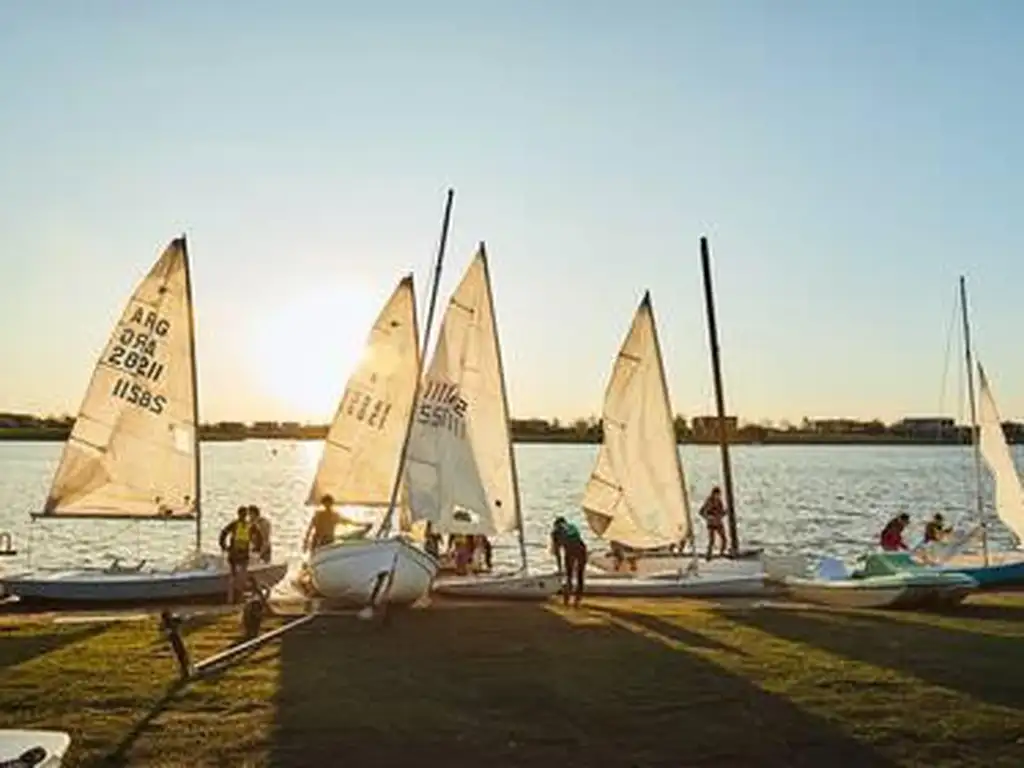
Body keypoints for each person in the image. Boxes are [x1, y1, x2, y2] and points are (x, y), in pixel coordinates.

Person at [219, 506, 264, 603]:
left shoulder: (239, 525)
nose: (243, 516)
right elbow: (260, 537)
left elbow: (223, 533)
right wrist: (257, 548)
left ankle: (233, 599)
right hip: (237, 555)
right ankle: (235, 598)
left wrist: (223, 546)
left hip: (238, 554)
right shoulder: (243, 525)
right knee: (239, 577)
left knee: (235, 577)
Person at [550, 516, 588, 607]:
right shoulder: (572, 526)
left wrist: (559, 568)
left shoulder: (555, 532)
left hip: (571, 551)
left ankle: (566, 601)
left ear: (555, 525)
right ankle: (577, 600)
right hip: (582, 549)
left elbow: (557, 552)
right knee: (580, 576)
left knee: (569, 576)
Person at [698, 487, 729, 560]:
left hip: (718, 523)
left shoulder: (719, 501)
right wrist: (708, 517)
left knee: (724, 539)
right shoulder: (709, 501)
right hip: (711, 524)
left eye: (719, 494)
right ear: (714, 494)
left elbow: (721, 512)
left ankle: (722, 553)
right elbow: (701, 512)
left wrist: (725, 513)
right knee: (712, 541)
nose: (718, 496)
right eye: (717, 494)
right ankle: (708, 556)